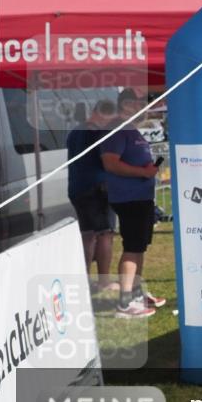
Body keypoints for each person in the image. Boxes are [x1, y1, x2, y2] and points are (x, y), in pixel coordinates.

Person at [100, 89, 166, 319]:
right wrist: (142, 172)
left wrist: (147, 170)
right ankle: (125, 302)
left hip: (141, 196)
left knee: (139, 247)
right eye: (138, 103)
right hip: (128, 198)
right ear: (126, 104)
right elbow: (110, 163)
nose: (143, 107)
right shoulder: (117, 129)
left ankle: (136, 293)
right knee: (132, 247)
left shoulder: (130, 128)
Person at [67, 99, 117, 289]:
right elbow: (108, 160)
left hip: (77, 188)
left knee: (87, 235)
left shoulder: (75, 132)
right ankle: (104, 281)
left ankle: (85, 279)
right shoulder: (99, 134)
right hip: (98, 189)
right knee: (105, 234)